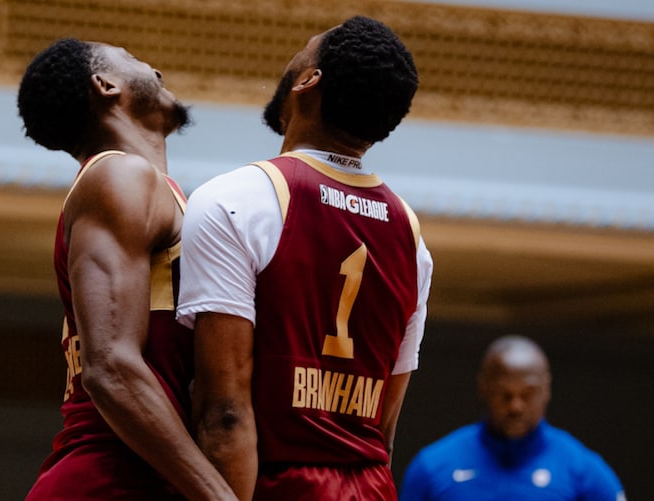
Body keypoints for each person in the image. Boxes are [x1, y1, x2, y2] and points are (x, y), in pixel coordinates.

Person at [177, 15, 433, 501]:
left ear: (308, 80)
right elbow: (384, 426)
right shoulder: (410, 234)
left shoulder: (235, 199)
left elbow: (224, 415)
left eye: (303, 50)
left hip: (276, 485)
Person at [16, 38, 235, 500]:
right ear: (105, 84)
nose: (155, 70)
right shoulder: (119, 176)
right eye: (132, 58)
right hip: (107, 481)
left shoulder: (151, 189)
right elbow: (110, 368)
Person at [399, 335, 626, 501]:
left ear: (546, 390)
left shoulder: (584, 471)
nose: (515, 406)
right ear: (484, 388)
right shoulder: (432, 467)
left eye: (527, 394)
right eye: (505, 394)